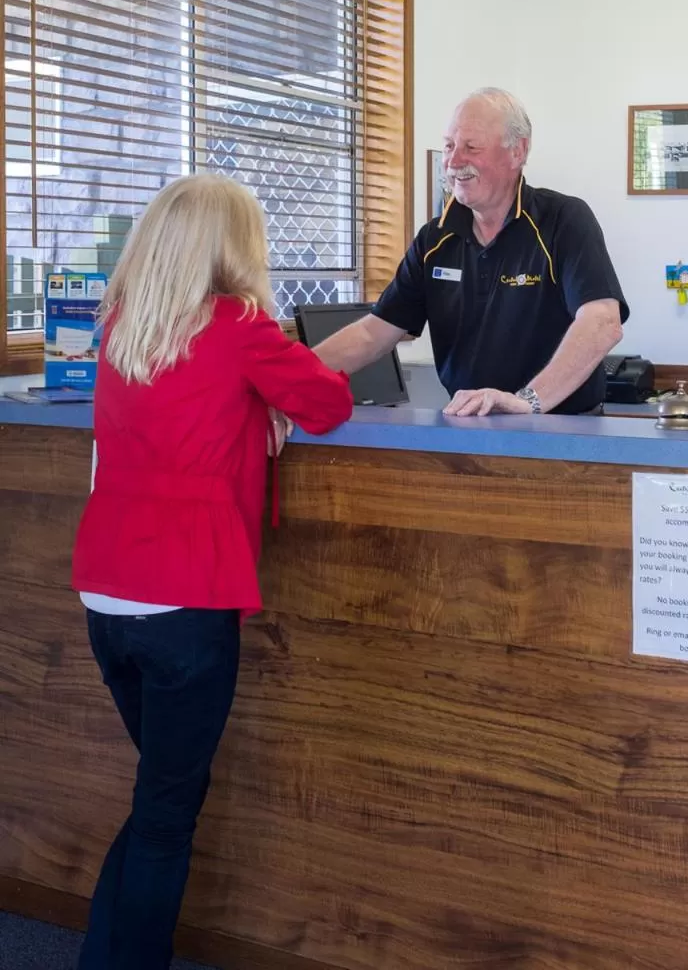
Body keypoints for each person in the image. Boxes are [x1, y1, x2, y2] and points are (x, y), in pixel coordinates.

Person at [71, 174, 353, 970]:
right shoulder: (239, 326)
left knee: (159, 796)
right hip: (187, 602)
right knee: (167, 810)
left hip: (107, 595)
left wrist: (253, 408)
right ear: (235, 246)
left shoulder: (123, 325)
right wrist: (269, 401)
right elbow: (329, 404)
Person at [314, 87, 627, 416]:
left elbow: (603, 323)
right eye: (449, 146)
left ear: (517, 152)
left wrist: (526, 401)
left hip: (562, 430)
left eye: (471, 147)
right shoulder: (433, 239)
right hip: (471, 429)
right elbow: (372, 334)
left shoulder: (564, 220)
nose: (453, 161)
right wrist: (283, 377)